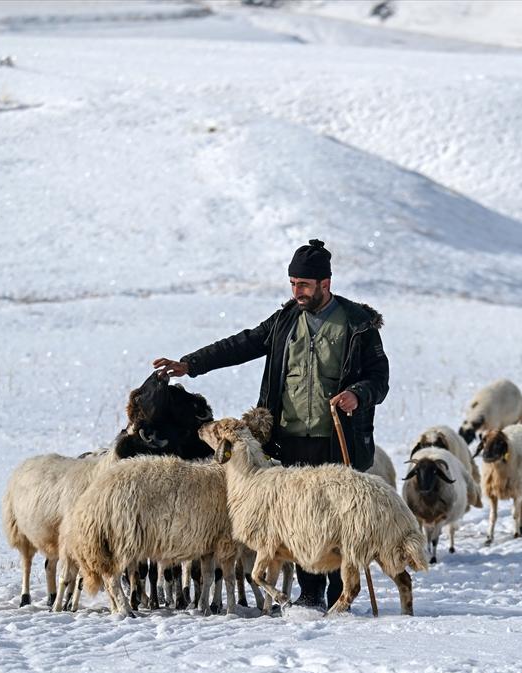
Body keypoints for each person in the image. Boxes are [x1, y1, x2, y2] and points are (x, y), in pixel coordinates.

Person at [153, 239, 389, 611]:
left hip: (337, 436)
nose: (296, 291)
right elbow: (242, 344)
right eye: (293, 283)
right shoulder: (284, 321)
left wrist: (358, 393)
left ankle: (337, 592)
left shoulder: (358, 325)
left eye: (304, 285)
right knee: (301, 518)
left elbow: (380, 377)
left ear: (325, 283)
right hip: (291, 437)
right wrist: (190, 364)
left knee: (337, 517)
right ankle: (310, 595)